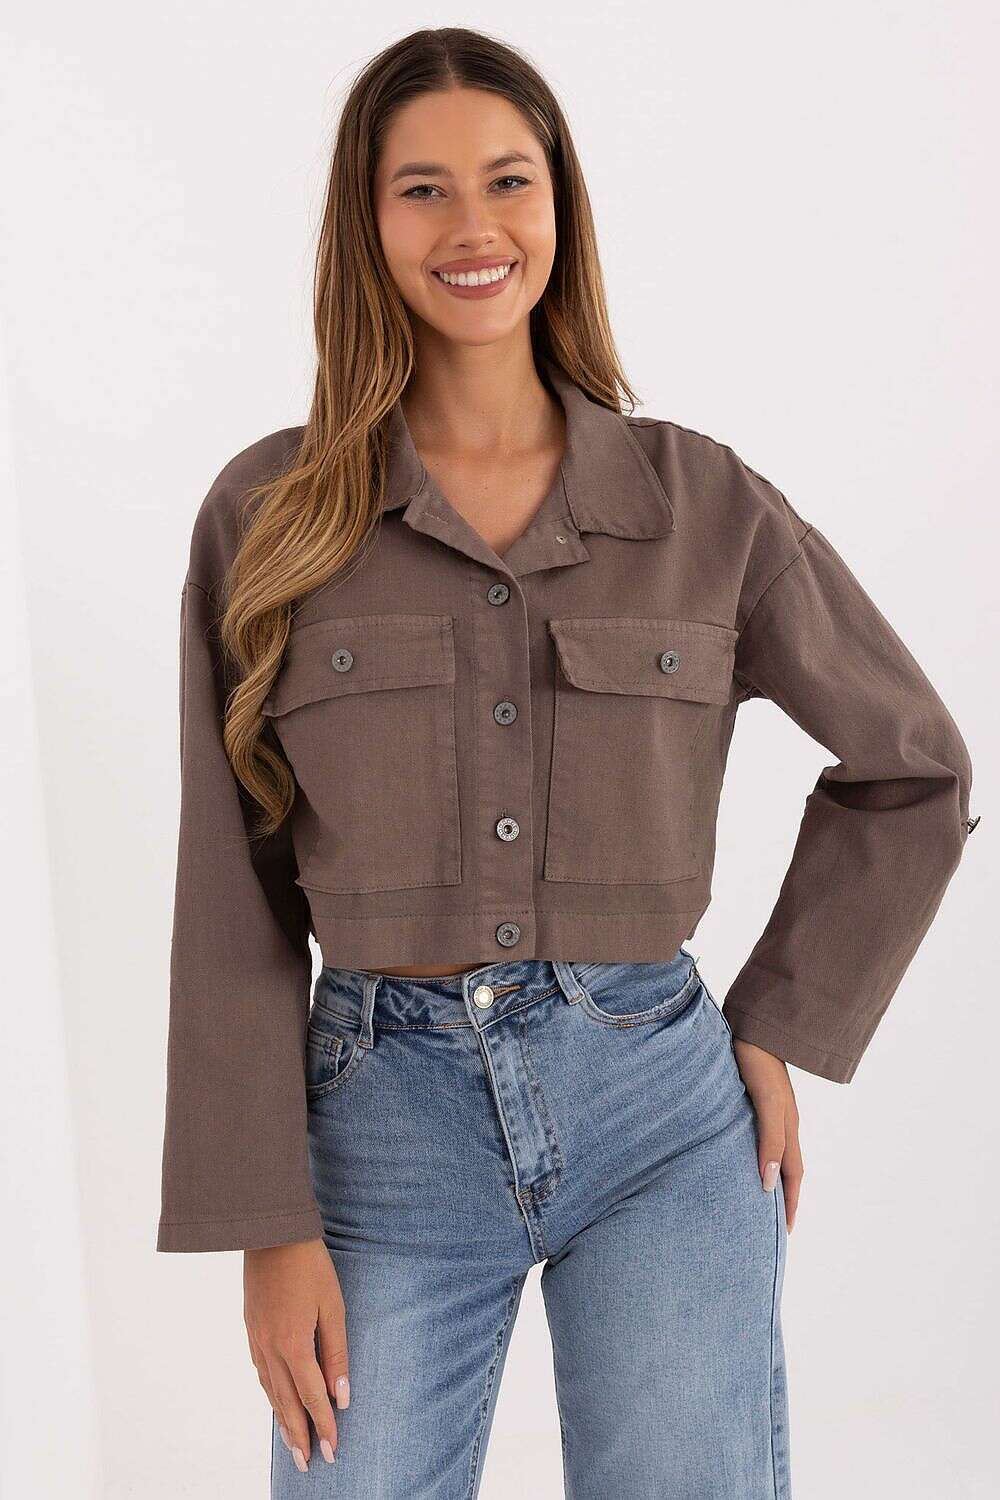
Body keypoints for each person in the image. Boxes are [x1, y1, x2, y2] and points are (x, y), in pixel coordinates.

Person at [155, 26, 978, 1499]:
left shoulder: (702, 503)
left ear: (560, 204)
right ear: (364, 223)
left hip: (660, 1107)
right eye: (422, 189)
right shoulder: (270, 516)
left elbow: (912, 766)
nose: (473, 227)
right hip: (379, 1126)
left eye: (508, 180)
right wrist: (265, 1223)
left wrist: (778, 1022)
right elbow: (233, 886)